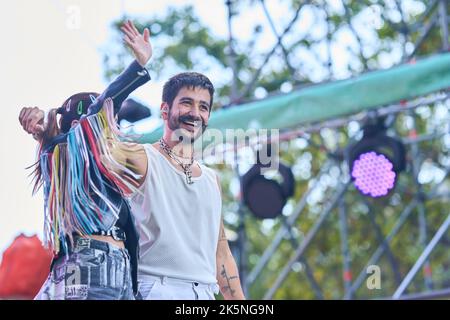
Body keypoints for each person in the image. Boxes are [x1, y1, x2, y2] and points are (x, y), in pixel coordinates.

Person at [22, 22, 245, 300]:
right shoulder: (138, 156)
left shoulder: (211, 180)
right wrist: (50, 136)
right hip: (152, 286)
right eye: (186, 103)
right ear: (165, 111)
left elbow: (221, 253)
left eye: (203, 106)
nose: (195, 112)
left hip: (198, 292)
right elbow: (92, 127)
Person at [19, 20, 152, 300]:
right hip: (92, 262)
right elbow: (98, 109)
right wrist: (137, 67)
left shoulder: (80, 162)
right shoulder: (69, 149)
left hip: (102, 266)